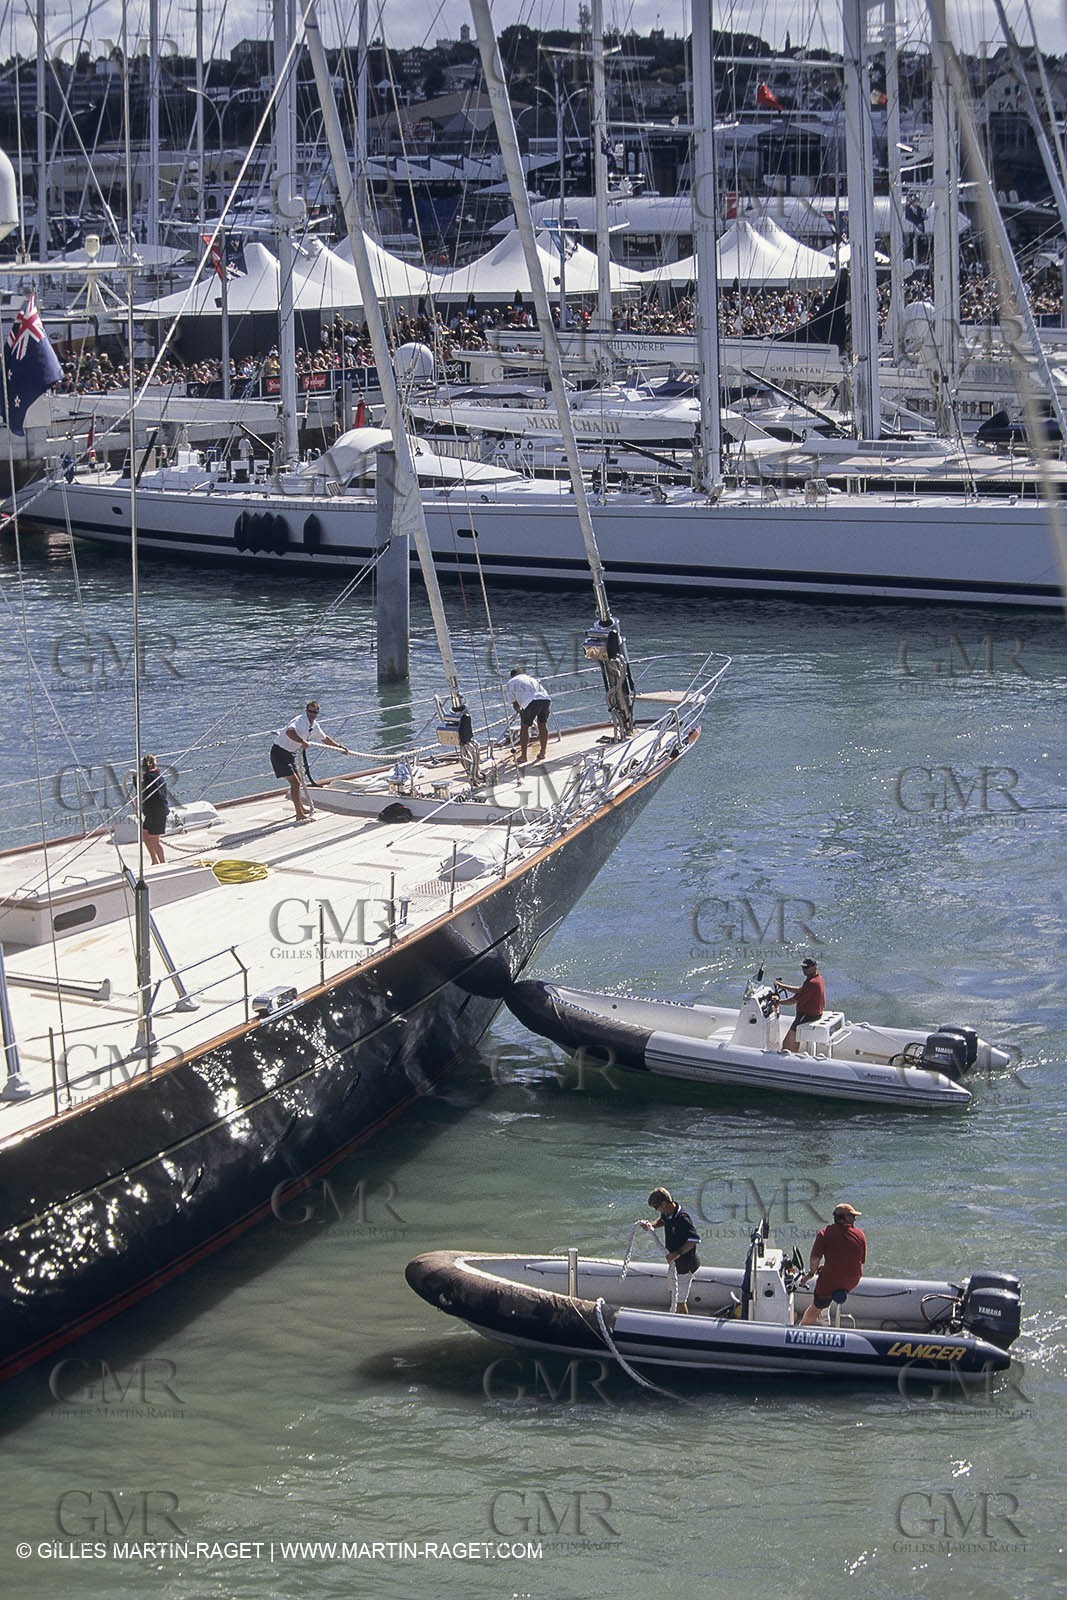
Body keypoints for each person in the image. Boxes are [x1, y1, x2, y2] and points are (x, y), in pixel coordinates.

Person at [270, 700, 348, 823]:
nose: (312, 714)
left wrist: (339, 747)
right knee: (295, 783)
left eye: (314, 712)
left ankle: (301, 808)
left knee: (298, 782)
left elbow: (324, 739)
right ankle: (299, 814)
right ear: (306, 711)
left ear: (318, 713)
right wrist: (302, 741)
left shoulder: (314, 725)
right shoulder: (300, 721)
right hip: (279, 753)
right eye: (310, 711)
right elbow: (290, 732)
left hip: (290, 754)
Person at [798, 1203, 866, 1325]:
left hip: (831, 1283)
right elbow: (859, 1260)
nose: (854, 1220)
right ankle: (824, 1315)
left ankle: (802, 1327)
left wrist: (809, 1275)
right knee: (826, 1274)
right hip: (852, 1281)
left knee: (816, 1306)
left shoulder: (825, 1234)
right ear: (845, 1218)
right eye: (852, 1216)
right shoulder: (860, 1235)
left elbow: (815, 1259)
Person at [641, 1186, 701, 1312]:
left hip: (685, 1265)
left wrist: (677, 1253)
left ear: (664, 1204)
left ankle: (683, 1321)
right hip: (675, 1264)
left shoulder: (683, 1219)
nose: (656, 1210)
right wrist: (651, 1225)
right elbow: (663, 1221)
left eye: (656, 1207)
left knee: (680, 1301)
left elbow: (694, 1240)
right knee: (674, 1293)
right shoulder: (667, 1213)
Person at [776, 955, 826, 1052]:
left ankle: (790, 1056)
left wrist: (777, 1002)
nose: (804, 970)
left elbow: (793, 1001)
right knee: (793, 1038)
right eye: (803, 967)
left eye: (806, 968)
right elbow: (801, 990)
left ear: (814, 967)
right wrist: (782, 986)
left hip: (807, 1016)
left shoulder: (812, 983)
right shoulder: (817, 979)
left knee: (787, 1044)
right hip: (814, 1014)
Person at [506, 666, 551, 764]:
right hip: (545, 699)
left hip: (531, 702)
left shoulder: (511, 682)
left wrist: (520, 712)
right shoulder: (531, 678)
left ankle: (523, 756)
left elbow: (515, 703)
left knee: (524, 727)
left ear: (512, 676)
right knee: (542, 725)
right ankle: (542, 752)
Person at [139, 754, 169, 865]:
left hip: (157, 812)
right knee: (145, 835)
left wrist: (135, 780)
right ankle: (154, 860)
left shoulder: (149, 777)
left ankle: (163, 862)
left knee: (154, 840)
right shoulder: (157, 776)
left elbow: (141, 791)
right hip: (152, 812)